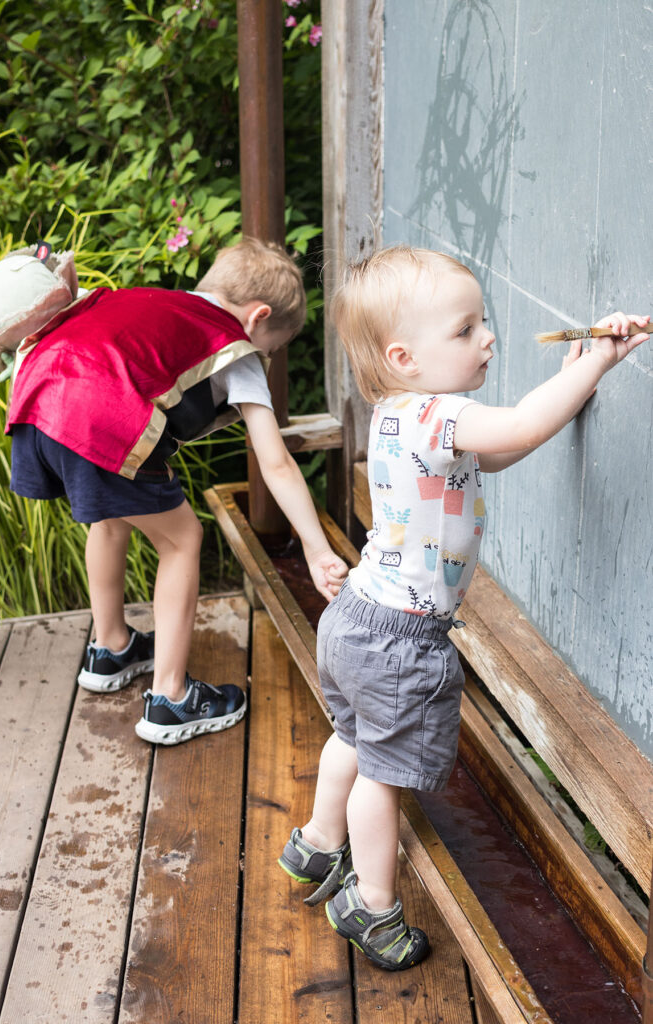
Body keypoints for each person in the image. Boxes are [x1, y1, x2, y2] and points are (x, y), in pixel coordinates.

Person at [278, 245, 650, 971]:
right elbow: (516, 429)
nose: (488, 339)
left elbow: (500, 450)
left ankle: (316, 846)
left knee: (351, 737)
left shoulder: (395, 413)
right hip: (400, 640)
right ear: (404, 356)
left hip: (355, 618)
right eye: (465, 329)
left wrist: (580, 364)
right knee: (382, 779)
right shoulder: (438, 416)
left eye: (483, 322)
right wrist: (598, 363)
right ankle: (372, 904)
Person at [0, 237, 348, 745]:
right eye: (273, 349)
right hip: (96, 414)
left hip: (37, 403)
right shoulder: (233, 346)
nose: (267, 358)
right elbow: (275, 462)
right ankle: (170, 699)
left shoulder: (163, 306)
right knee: (182, 539)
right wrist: (316, 546)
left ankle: (110, 648)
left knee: (109, 519)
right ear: (258, 318)